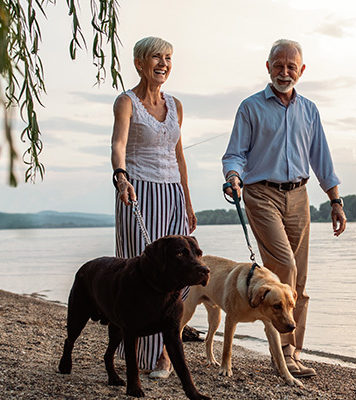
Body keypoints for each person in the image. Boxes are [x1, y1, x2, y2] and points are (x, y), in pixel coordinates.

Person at [222, 39, 346, 378]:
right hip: (261, 194)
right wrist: (233, 177)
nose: (285, 71)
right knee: (285, 268)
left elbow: (322, 158)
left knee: (299, 283)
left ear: (301, 71)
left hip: (299, 196)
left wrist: (335, 200)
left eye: (292, 66)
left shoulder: (309, 110)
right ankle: (284, 356)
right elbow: (235, 153)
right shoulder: (250, 107)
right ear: (268, 67)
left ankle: (293, 350)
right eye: (279, 65)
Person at [110, 36, 196, 379]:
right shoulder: (126, 102)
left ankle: (163, 349)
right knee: (139, 275)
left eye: (169, 57)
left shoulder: (176, 105)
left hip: (173, 194)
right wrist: (121, 177)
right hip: (138, 191)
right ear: (140, 63)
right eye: (157, 57)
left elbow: (178, 155)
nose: (164, 63)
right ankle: (143, 354)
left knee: (183, 274)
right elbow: (118, 143)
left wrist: (188, 199)